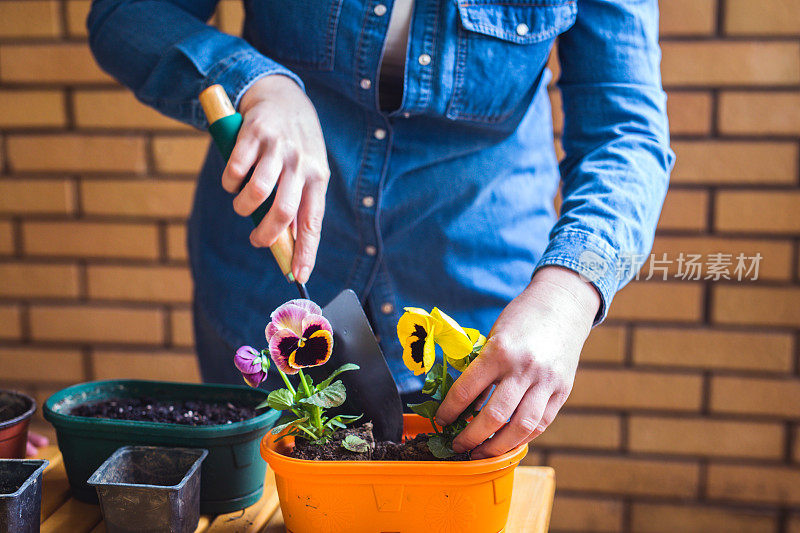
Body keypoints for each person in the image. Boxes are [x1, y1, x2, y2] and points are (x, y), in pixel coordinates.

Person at [86, 0, 672, 459]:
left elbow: (625, 127)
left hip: (475, 316)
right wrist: (258, 82)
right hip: (267, 293)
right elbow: (127, 11)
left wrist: (569, 295)